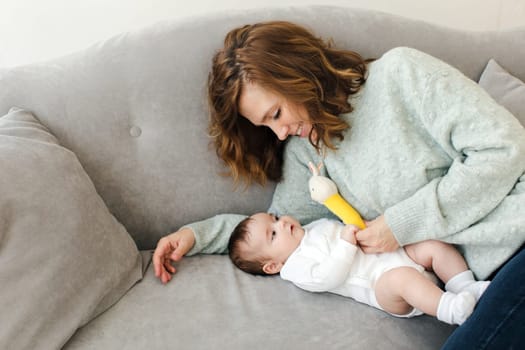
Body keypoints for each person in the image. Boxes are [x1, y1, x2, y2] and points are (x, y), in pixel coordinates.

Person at [153, 21, 525, 349]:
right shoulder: (306, 149)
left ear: (299, 73)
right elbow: (277, 226)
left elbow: (504, 149)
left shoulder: (400, 74)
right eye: (266, 126)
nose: (280, 133)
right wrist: (197, 236)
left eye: (277, 114)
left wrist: (399, 224)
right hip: (476, 280)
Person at [228, 212, 490, 325]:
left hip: (397, 254)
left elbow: (346, 226)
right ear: (273, 266)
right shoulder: (294, 268)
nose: (282, 223)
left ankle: (463, 285)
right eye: (273, 234)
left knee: (431, 245)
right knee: (402, 278)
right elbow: (325, 278)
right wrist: (345, 245)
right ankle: (451, 309)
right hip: (382, 287)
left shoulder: (313, 226)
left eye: (275, 218)